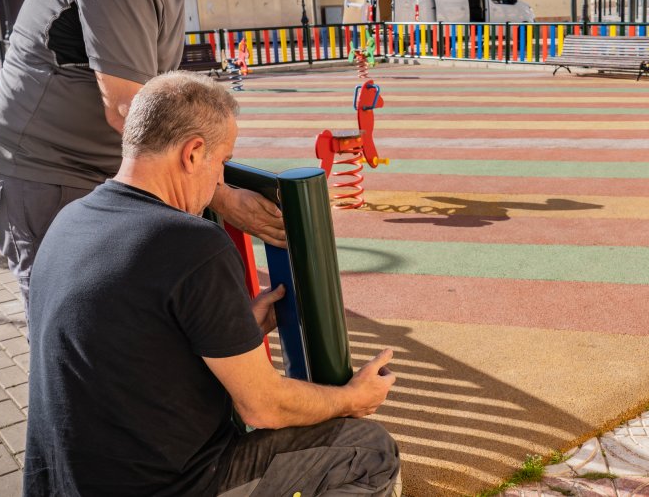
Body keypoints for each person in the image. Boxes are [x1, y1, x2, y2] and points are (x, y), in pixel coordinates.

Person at [24, 72, 400, 496]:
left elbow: (134, 345)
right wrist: (353, 398)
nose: (221, 178)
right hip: (169, 486)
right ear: (193, 153)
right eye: (223, 161)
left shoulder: (72, 220)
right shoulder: (190, 241)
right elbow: (263, 406)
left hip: (61, 484)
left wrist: (235, 329)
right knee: (369, 450)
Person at [0, 0, 285, 312]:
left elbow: (162, 95)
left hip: (92, 172)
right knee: (71, 320)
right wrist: (220, 196)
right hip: (43, 173)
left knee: (117, 317)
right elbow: (130, 110)